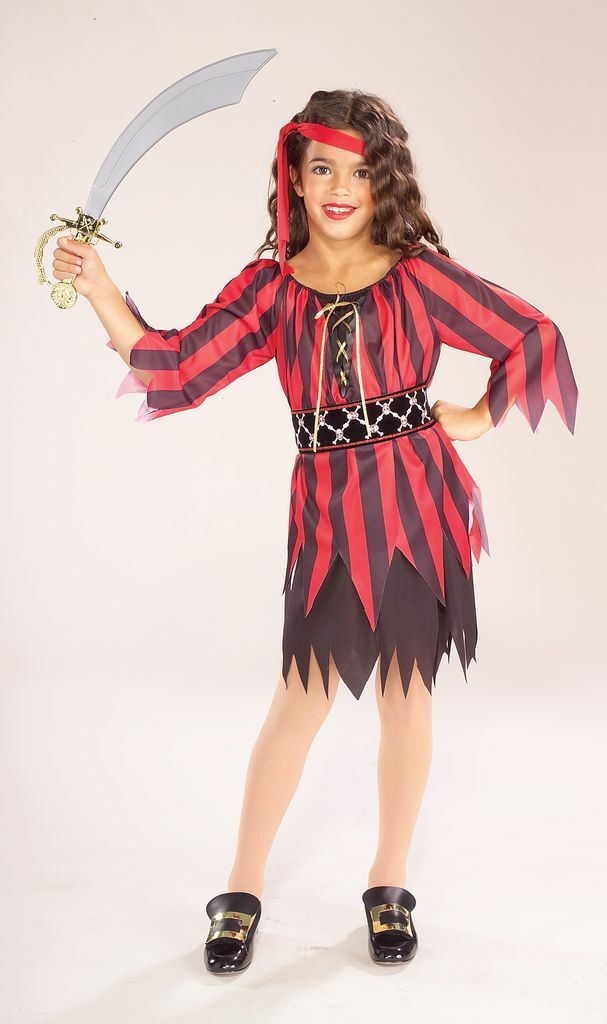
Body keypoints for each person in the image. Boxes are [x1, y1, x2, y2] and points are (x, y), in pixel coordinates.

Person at [52, 88, 578, 973]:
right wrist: (101, 288)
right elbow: (176, 370)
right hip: (329, 518)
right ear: (293, 178)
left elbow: (530, 333)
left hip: (415, 508)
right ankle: (241, 886)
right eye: (322, 168)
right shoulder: (271, 290)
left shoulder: (419, 277)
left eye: (359, 173)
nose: (339, 187)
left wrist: (478, 416)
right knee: (300, 699)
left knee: (406, 698)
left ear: (384, 184)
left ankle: (388, 882)